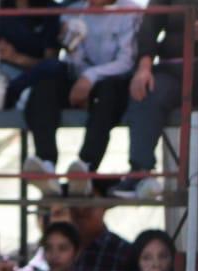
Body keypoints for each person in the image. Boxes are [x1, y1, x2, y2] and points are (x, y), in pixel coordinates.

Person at [112, 0, 198, 200]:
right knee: (148, 90)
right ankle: (140, 172)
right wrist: (143, 68)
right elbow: (150, 24)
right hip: (172, 68)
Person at [21, 0, 140, 197]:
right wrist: (71, 45)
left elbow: (126, 62)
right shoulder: (73, 12)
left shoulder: (132, 11)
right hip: (80, 82)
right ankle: (47, 163)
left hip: (113, 83)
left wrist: (89, 78)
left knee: (108, 93)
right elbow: (73, 62)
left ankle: (86, 167)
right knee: (44, 87)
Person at [70, 183, 135, 271]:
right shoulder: (54, 247)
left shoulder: (125, 252)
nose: (81, 208)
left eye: (90, 200)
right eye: (76, 200)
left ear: (104, 206)